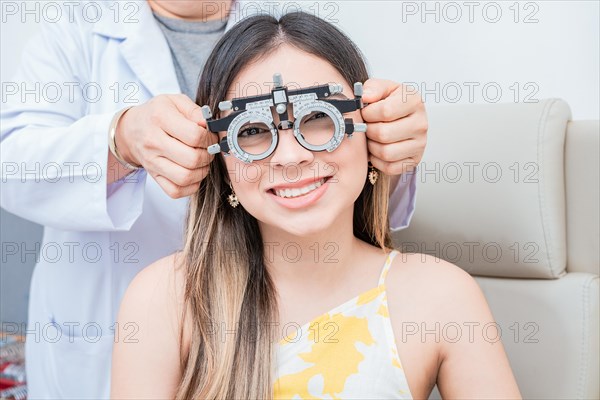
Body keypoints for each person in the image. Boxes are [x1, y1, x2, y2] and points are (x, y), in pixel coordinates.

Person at [0, 1, 425, 398]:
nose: (289, 153)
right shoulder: (73, 33)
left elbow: (335, 179)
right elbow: (11, 166)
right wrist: (121, 139)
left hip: (269, 323)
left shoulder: (287, 24)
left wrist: (394, 144)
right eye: (256, 132)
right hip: (117, 323)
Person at [111, 12, 521, 400]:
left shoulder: (441, 295)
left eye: (318, 117)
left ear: (372, 129)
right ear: (221, 158)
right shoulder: (163, 300)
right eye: (252, 130)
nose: (290, 157)